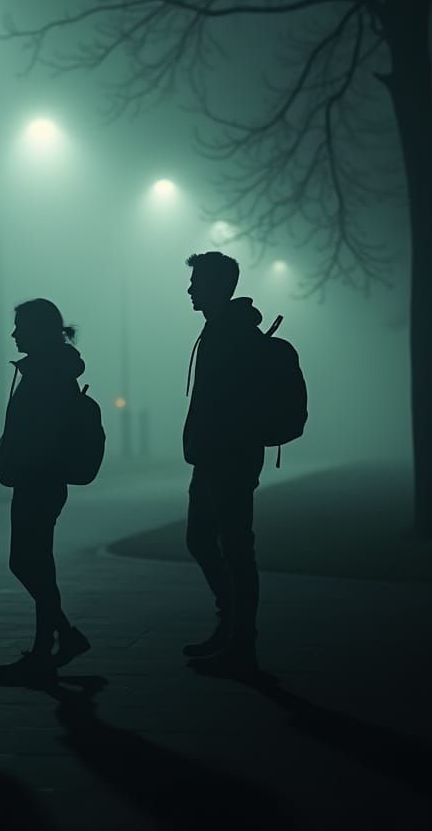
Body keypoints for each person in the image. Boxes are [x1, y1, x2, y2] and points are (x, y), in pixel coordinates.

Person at [0, 298, 91, 685]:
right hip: (42, 477)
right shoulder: (51, 370)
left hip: (39, 477)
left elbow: (38, 430)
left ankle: (52, 642)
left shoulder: (45, 374)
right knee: (36, 561)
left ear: (37, 330)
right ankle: (53, 640)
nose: (14, 334)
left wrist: (19, 462)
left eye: (19, 327)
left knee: (27, 561)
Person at [181, 251, 265, 677]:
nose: (190, 288)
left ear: (218, 285)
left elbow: (227, 403)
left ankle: (241, 641)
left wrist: (214, 443)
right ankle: (230, 627)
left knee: (234, 546)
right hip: (214, 457)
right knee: (203, 540)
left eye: (197, 281)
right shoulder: (220, 330)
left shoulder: (230, 334)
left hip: (228, 457)